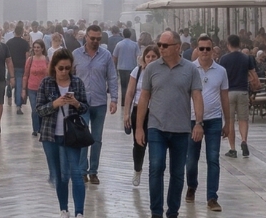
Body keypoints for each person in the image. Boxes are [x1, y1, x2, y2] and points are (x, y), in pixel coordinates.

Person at [135, 30, 204, 218]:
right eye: (159, 45)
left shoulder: (190, 69)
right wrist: (139, 127)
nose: (161, 48)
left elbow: (197, 96)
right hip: (156, 127)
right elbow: (144, 98)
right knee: (156, 167)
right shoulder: (151, 69)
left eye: (165, 45)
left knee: (177, 173)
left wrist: (198, 123)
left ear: (177, 47)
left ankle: (172, 212)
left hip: (181, 129)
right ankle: (156, 213)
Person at [37, 48, 90, 218]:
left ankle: (79, 212)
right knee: (60, 175)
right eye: (61, 68)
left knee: (76, 172)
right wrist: (55, 103)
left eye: (68, 68)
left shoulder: (77, 83)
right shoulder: (46, 83)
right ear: (54, 67)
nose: (64, 71)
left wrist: (75, 103)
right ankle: (63, 209)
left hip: (72, 135)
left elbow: (85, 108)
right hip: (50, 135)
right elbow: (39, 110)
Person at [186, 35, 230, 211]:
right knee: (191, 159)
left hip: (213, 120)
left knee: (213, 158)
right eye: (201, 48)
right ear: (196, 49)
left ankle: (212, 197)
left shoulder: (221, 71)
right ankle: (191, 185)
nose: (204, 52)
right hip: (190, 120)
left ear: (213, 50)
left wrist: (228, 122)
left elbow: (225, 98)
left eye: (208, 48)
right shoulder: (189, 69)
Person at [73, 24, 119, 184]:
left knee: (97, 138)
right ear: (86, 37)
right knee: (83, 137)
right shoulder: (76, 55)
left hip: (99, 102)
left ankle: (93, 171)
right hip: (81, 103)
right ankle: (81, 170)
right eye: (92, 38)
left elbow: (112, 77)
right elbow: (70, 76)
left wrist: (114, 99)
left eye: (98, 39)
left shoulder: (106, 55)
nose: (95, 41)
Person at [122, 45, 160, 187]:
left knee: (155, 144)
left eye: (153, 56)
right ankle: (137, 169)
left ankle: (154, 174)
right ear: (144, 58)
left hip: (156, 112)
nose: (150, 59)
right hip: (139, 111)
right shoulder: (137, 71)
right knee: (139, 144)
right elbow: (130, 93)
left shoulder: (161, 72)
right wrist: (126, 113)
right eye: (148, 56)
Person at [217, 34, 257, 159]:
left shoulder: (223, 59)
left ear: (228, 44)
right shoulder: (246, 58)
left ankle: (232, 148)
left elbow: (220, 77)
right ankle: (244, 140)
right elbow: (253, 75)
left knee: (230, 121)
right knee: (243, 119)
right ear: (239, 44)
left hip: (228, 92)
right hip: (243, 91)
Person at [25, 40, 51, 136]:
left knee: (43, 109)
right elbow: (25, 75)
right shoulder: (30, 60)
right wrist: (24, 89)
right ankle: (35, 129)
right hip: (32, 88)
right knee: (35, 109)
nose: (36, 49)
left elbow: (50, 74)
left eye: (38, 47)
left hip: (44, 89)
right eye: (34, 47)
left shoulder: (47, 60)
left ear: (42, 48)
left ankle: (42, 127)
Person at [7, 25, 31, 115]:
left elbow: (7, 57)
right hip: (21, 67)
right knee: (19, 88)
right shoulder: (25, 43)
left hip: (11, 67)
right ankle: (18, 106)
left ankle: (8, 93)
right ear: (21, 33)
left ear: (14, 32)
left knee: (10, 83)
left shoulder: (9, 43)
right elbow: (27, 56)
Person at [113, 28, 140, 106]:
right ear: (130, 35)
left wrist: (113, 66)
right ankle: (130, 101)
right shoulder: (135, 44)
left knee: (123, 85)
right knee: (131, 85)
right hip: (132, 68)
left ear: (123, 35)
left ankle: (123, 102)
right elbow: (138, 56)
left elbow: (115, 56)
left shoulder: (119, 44)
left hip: (121, 67)